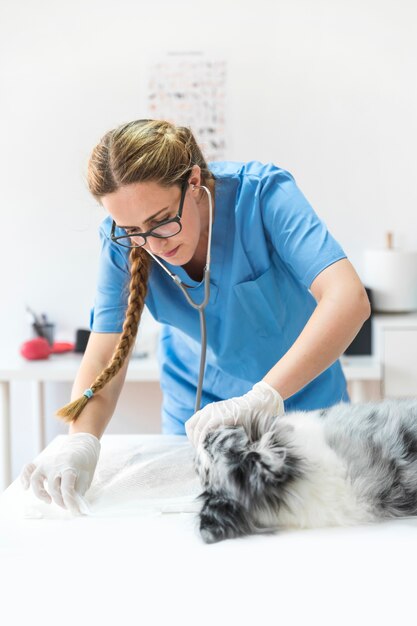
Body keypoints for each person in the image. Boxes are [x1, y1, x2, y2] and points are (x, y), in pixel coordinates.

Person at [20, 119, 371, 514]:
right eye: (132, 230)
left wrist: (263, 397)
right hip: (196, 412)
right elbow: (103, 356)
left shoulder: (262, 195)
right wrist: (80, 440)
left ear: (193, 182)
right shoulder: (119, 241)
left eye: (162, 221)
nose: (152, 244)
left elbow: (347, 299)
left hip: (304, 398)